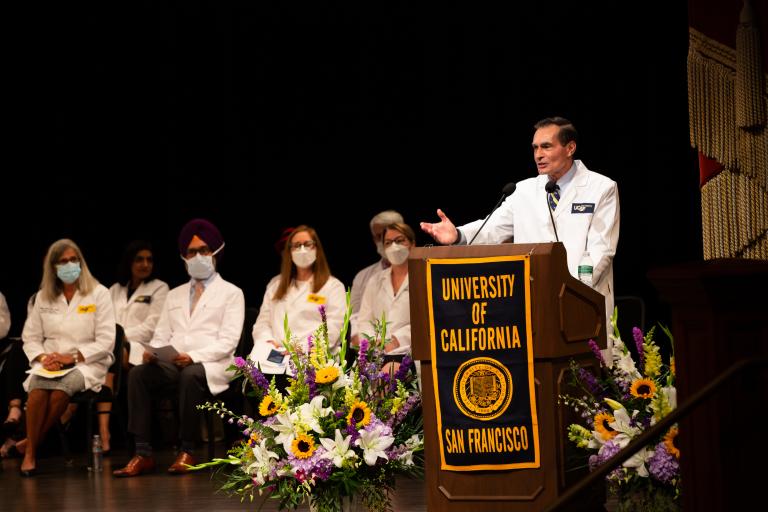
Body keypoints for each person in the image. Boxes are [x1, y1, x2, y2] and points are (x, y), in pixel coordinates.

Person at [420, 116, 620, 321]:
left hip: (582, 301)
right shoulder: (523, 190)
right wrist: (458, 235)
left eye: (546, 147)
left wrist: (572, 291)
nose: (538, 155)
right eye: (535, 148)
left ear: (570, 148)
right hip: (533, 303)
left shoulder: (601, 188)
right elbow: (492, 228)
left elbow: (601, 250)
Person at [113, 219, 244, 477]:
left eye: (204, 250)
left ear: (216, 252)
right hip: (174, 363)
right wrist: (153, 353)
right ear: (183, 256)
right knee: (139, 373)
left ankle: (187, 450)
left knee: (191, 374)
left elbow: (228, 342)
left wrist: (193, 356)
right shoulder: (174, 294)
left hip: (212, 364)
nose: (198, 257)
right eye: (192, 252)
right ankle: (142, 452)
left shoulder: (232, 293)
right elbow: (161, 333)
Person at [18, 239, 116, 476]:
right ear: (53, 267)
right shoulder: (43, 297)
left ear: (81, 262)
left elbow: (106, 340)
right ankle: (33, 447)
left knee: (62, 391)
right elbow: (30, 337)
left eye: (74, 260)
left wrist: (71, 357)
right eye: (63, 261)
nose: (69, 265)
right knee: (38, 392)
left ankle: (31, 447)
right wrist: (43, 358)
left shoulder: (99, 293)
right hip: (50, 363)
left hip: (86, 363)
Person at [249, 225, 345, 380]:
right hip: (275, 355)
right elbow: (262, 322)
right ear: (289, 252)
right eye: (296, 246)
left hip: (311, 358)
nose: (302, 249)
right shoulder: (275, 284)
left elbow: (334, 328)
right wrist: (268, 342)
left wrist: (302, 348)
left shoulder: (333, 286)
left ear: (317, 248)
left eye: (307, 244)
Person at [101, 240, 169, 452]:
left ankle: (105, 433)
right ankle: (105, 433)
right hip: (112, 346)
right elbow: (105, 322)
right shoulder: (114, 290)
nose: (145, 264)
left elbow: (151, 326)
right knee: (105, 358)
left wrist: (120, 338)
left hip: (142, 347)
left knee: (110, 359)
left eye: (149, 259)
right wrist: (115, 340)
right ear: (129, 262)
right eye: (140, 259)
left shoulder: (159, 288)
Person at [351, 222, 414, 357]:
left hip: (410, 352)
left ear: (412, 244)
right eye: (388, 242)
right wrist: (374, 341)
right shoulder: (375, 281)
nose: (394, 246)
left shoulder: (422, 278)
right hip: (376, 354)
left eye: (399, 240)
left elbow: (426, 322)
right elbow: (364, 320)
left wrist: (398, 339)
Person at [349, 210, 404, 331]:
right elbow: (355, 315)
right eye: (379, 237)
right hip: (372, 344)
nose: (385, 240)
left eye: (390, 235)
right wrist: (361, 339)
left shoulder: (421, 271)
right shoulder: (363, 276)